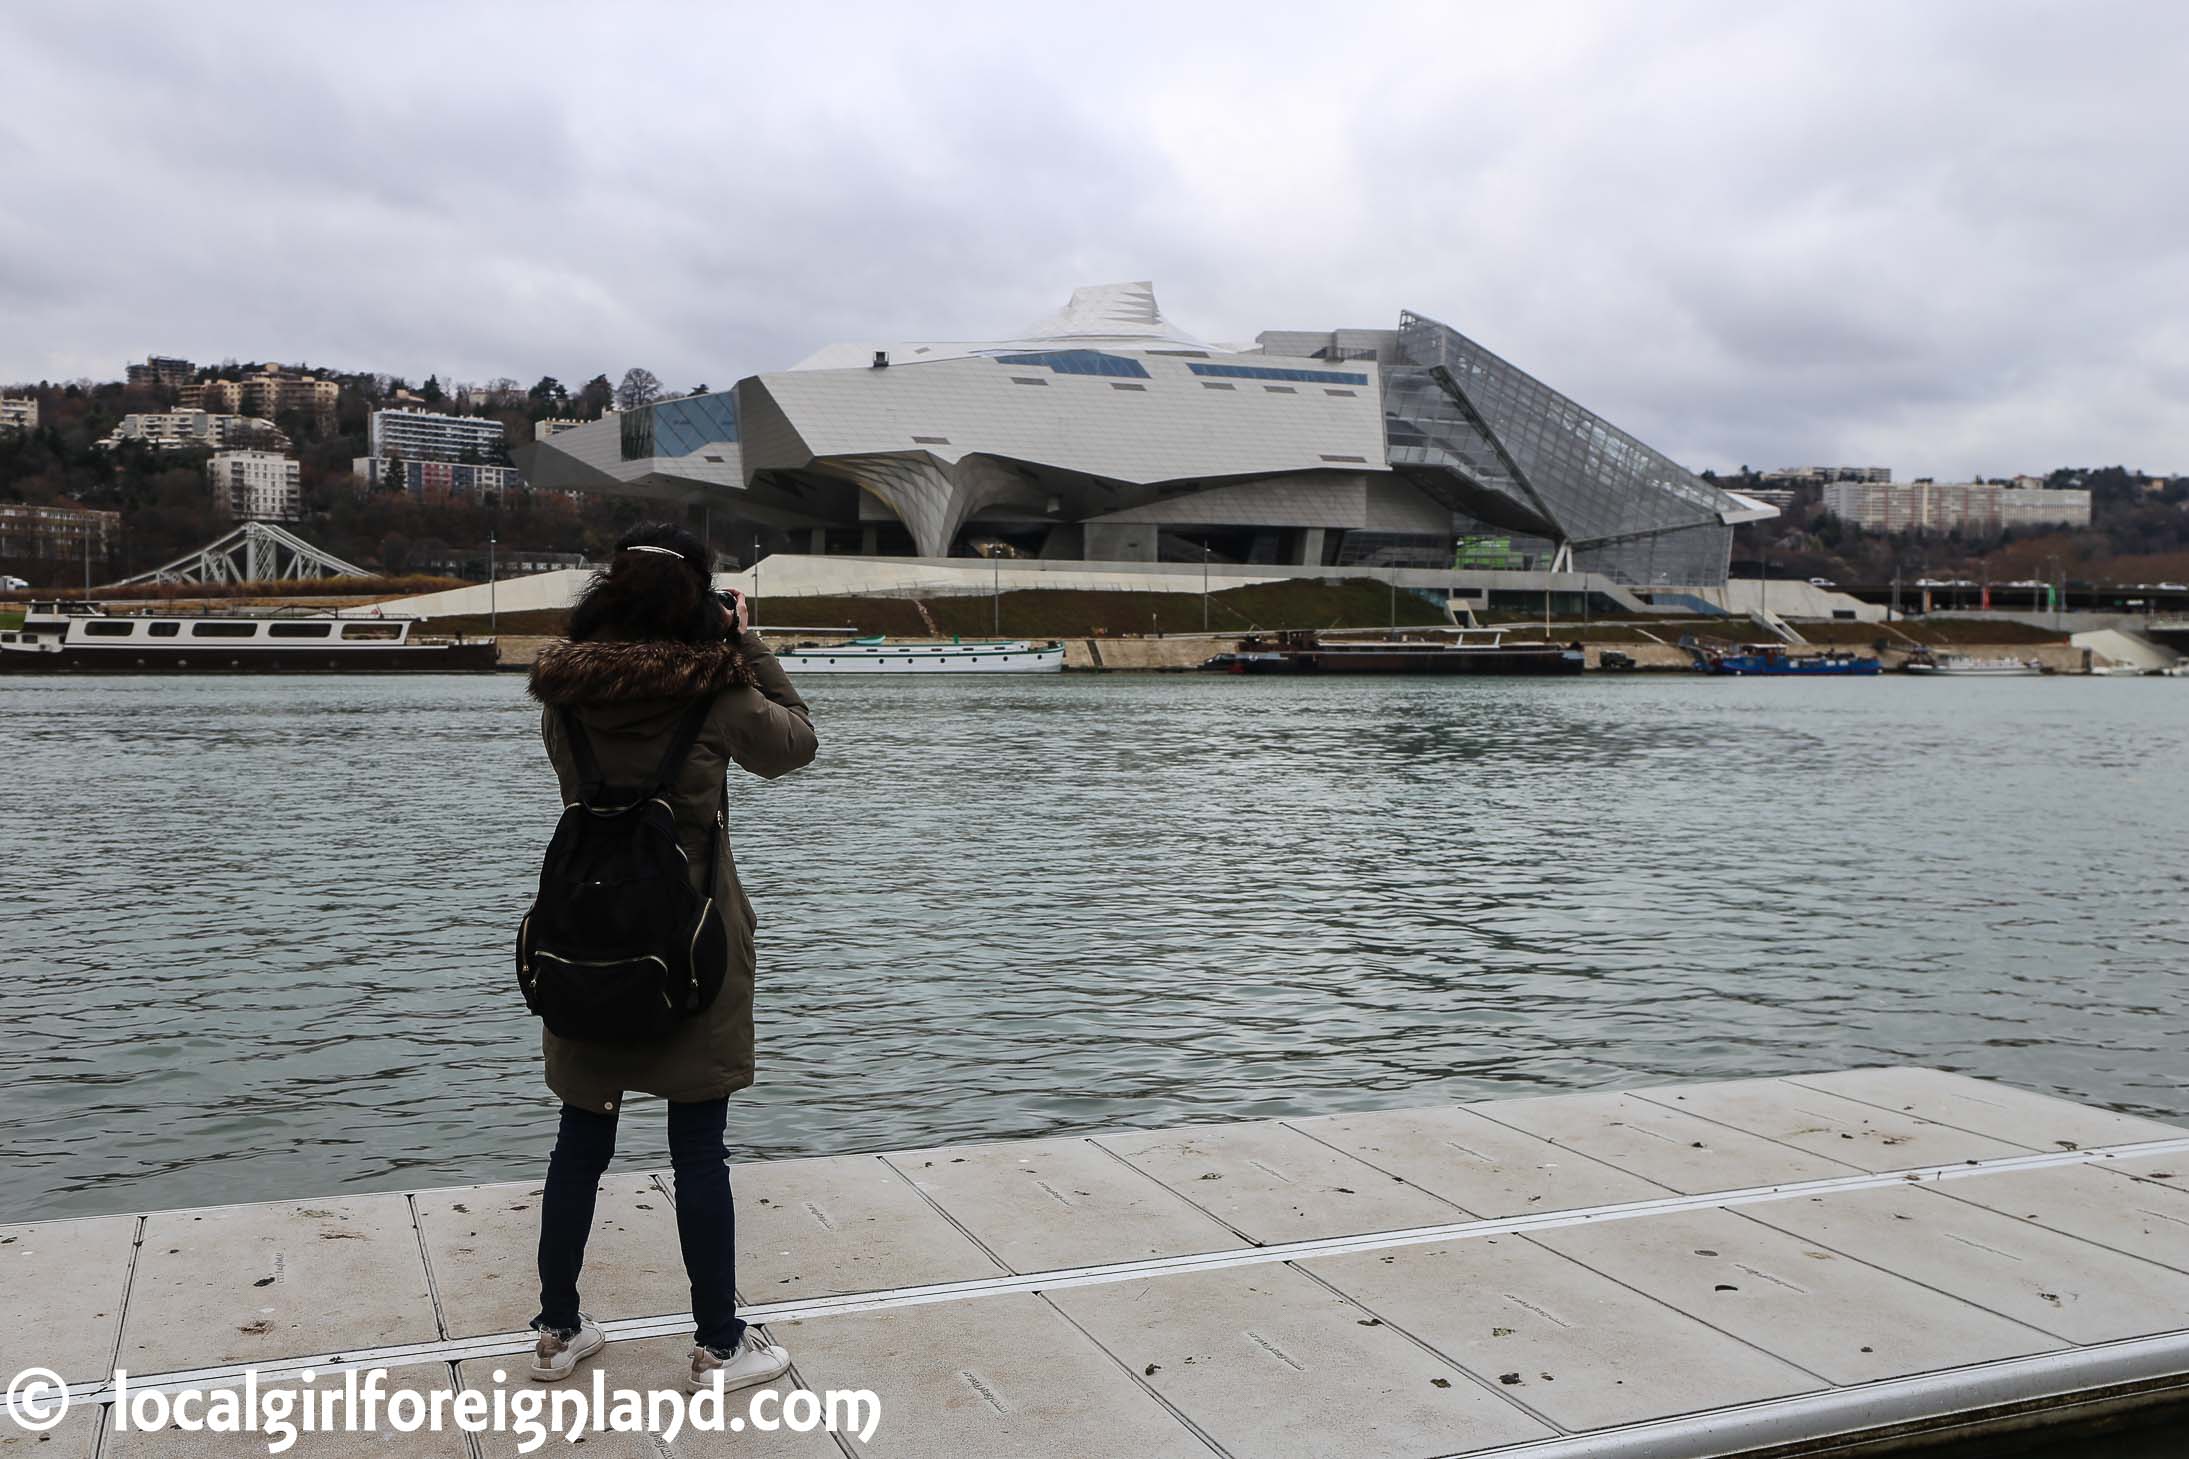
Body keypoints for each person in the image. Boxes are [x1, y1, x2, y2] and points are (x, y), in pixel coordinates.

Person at [522, 522, 816, 1391]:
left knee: (580, 1138)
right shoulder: (719, 697)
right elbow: (797, 741)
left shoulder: (563, 699)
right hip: (692, 943)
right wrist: (746, 642)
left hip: (583, 936)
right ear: (701, 604)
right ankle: (720, 1343)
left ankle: (557, 1329)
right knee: (698, 1146)